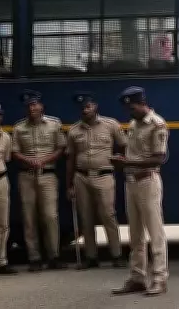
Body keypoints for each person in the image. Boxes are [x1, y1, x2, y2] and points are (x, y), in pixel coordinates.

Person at [111, 86, 169, 296]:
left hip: (148, 181)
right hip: (131, 181)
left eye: (133, 107)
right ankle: (137, 277)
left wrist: (127, 162)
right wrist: (125, 162)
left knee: (155, 232)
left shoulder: (157, 124)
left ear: (142, 103)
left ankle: (160, 278)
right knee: (135, 233)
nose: (130, 112)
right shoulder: (134, 123)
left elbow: (159, 158)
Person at [66, 92, 127, 269]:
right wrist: (69, 184)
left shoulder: (111, 124)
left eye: (88, 106)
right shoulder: (74, 130)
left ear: (95, 106)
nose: (85, 110)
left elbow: (124, 145)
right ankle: (91, 257)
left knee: (108, 215)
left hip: (104, 176)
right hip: (81, 177)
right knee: (86, 218)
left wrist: (121, 160)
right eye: (82, 108)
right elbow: (70, 158)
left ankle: (116, 255)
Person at [12, 89, 67, 272]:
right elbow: (15, 151)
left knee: (50, 216)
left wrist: (44, 160)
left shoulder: (54, 124)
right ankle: (34, 257)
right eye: (28, 105)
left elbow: (61, 148)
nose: (32, 108)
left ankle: (54, 256)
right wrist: (28, 160)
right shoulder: (19, 128)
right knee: (29, 218)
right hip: (26, 176)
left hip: (48, 175)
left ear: (41, 106)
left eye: (34, 104)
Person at [0, 103, 15, 275]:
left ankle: (1, 261)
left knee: (3, 224)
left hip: (1, 180)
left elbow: (6, 158)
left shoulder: (6, 137)